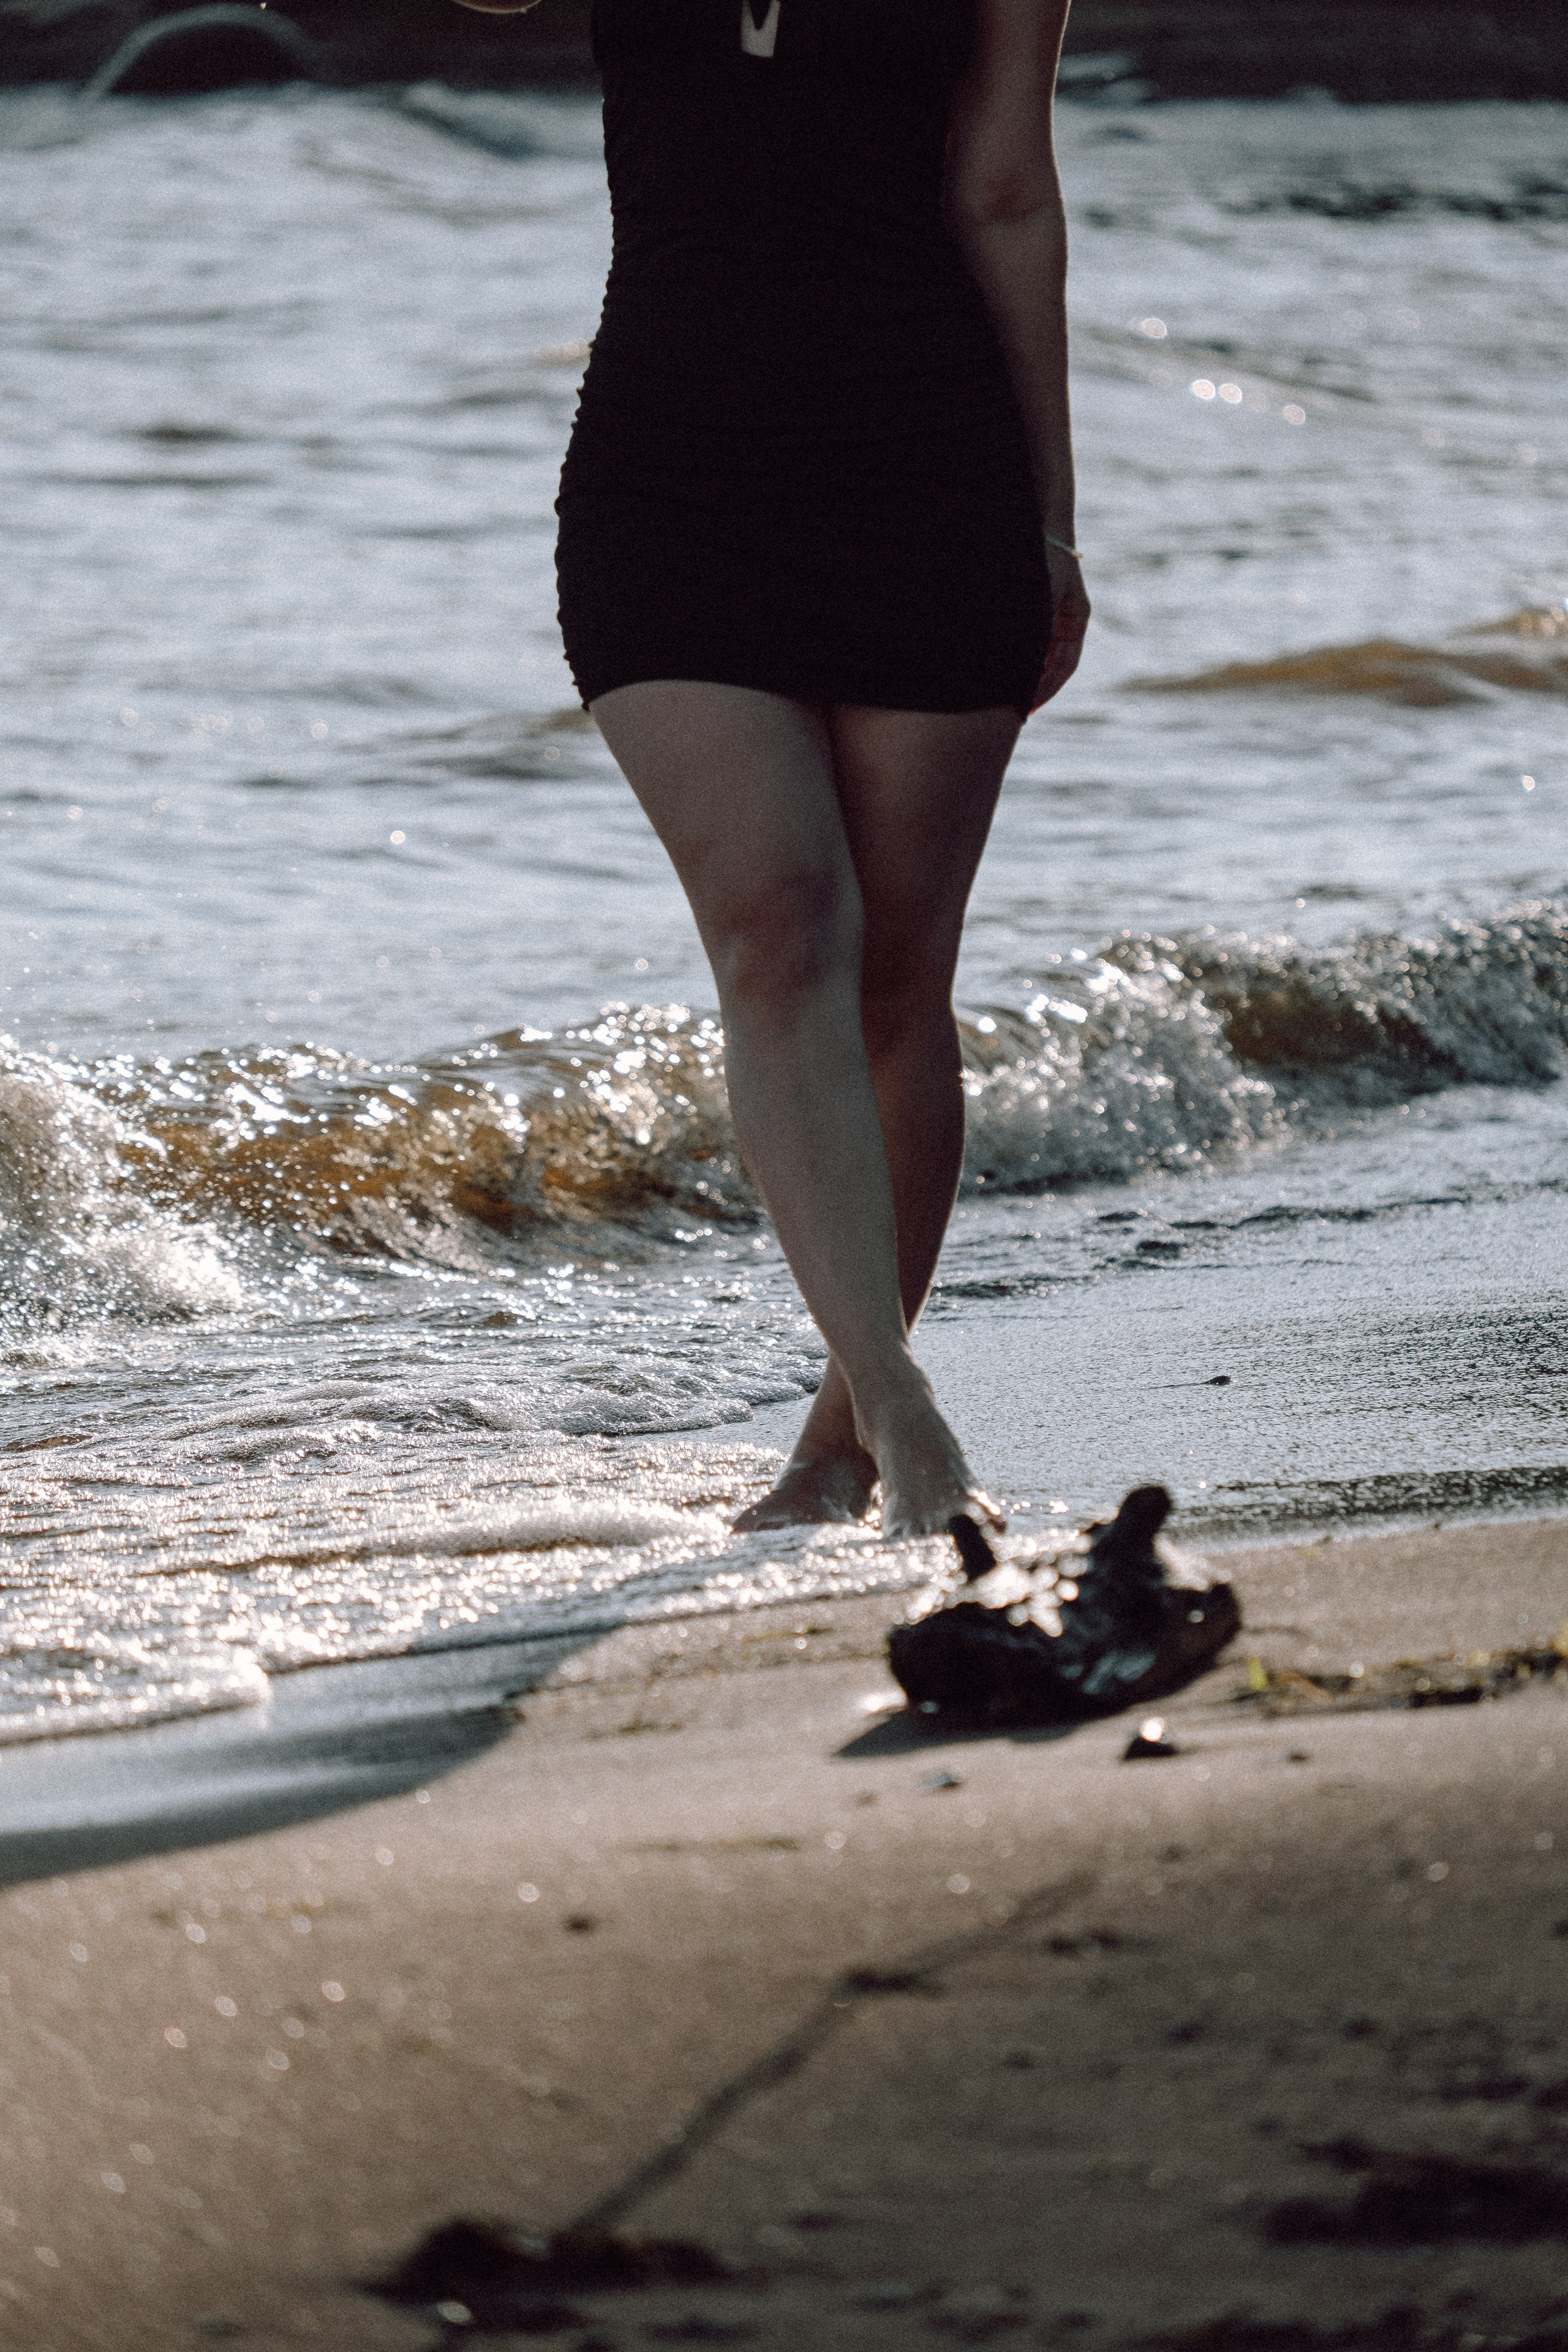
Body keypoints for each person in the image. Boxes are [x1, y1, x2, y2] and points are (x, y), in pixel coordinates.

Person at [461, 0, 1089, 1536]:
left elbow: (1005, 190)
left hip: (927, 459)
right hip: (669, 478)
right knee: (776, 924)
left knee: (893, 980)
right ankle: (901, 1403)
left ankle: (832, 1444)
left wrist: (1052, 529)